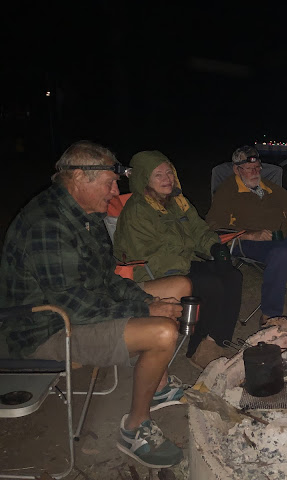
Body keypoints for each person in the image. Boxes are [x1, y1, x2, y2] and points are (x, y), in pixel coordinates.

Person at [0, 141, 192, 469]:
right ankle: (135, 429)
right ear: (79, 178)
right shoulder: (48, 225)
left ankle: (158, 385)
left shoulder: (86, 215)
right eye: (109, 183)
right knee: (162, 332)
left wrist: (147, 300)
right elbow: (75, 309)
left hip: (81, 307)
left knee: (178, 286)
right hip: (46, 329)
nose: (115, 190)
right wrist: (146, 310)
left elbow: (106, 280)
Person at [113, 150, 243, 370]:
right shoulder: (137, 210)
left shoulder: (177, 202)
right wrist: (193, 265)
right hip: (154, 273)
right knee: (210, 285)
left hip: (183, 263)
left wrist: (214, 247)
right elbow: (148, 255)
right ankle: (195, 350)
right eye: (159, 175)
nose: (167, 179)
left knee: (232, 276)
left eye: (169, 172)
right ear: (144, 179)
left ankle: (214, 343)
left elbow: (198, 229)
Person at [205, 145, 287, 324]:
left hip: (279, 238)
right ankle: (270, 315)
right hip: (246, 242)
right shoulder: (227, 192)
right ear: (236, 170)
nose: (255, 172)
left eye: (257, 167)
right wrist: (251, 235)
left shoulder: (272, 189)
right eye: (249, 169)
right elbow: (214, 224)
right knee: (282, 253)